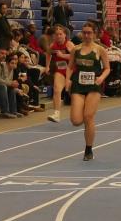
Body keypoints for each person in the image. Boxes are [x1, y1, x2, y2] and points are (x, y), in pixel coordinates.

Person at [65, 21, 110, 161]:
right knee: (76, 120)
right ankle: (84, 118)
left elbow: (107, 68)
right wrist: (67, 80)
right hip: (78, 85)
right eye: (84, 33)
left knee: (88, 116)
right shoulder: (76, 49)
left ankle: (88, 150)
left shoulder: (100, 50)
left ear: (94, 34)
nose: (86, 35)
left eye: (89, 33)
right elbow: (70, 66)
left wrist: (101, 77)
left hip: (93, 86)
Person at [46, 25, 74, 123]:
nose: (58, 36)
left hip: (72, 70)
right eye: (57, 34)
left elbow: (75, 56)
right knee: (57, 90)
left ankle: (81, 109)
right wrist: (47, 66)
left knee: (73, 93)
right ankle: (56, 114)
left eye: (60, 34)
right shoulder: (52, 45)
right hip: (60, 70)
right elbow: (48, 54)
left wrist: (62, 55)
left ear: (65, 35)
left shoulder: (69, 44)